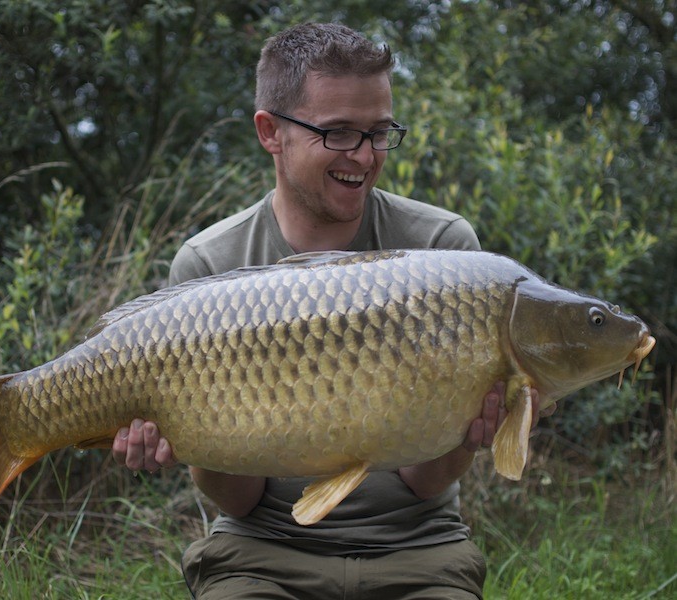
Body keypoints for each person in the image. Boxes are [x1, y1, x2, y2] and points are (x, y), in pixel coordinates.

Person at [112, 23, 550, 599]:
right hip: (260, 551)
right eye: (339, 133)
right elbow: (240, 500)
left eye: (379, 132)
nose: (365, 157)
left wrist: (472, 435)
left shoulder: (444, 250)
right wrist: (185, 440)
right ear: (271, 132)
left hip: (417, 546)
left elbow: (424, 485)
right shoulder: (210, 263)